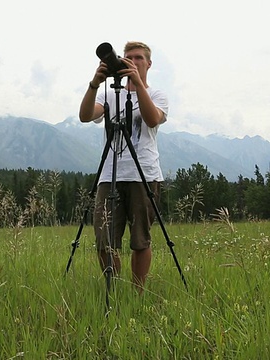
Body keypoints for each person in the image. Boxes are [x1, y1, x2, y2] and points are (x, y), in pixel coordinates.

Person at [78, 41, 168, 294]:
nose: (133, 61)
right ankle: (113, 289)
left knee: (140, 240)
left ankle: (138, 293)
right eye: (127, 57)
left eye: (138, 58)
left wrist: (138, 85)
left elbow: (152, 119)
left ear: (149, 63)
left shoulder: (158, 95)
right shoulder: (108, 95)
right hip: (110, 174)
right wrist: (95, 82)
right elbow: (85, 116)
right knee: (104, 240)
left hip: (144, 174)